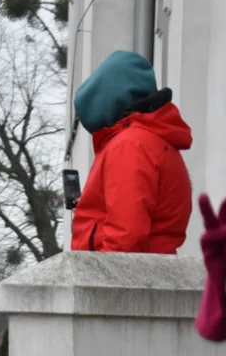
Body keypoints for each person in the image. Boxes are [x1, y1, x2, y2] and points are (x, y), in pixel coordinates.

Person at [70, 50, 193, 253]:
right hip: (147, 270)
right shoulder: (153, 140)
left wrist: (98, 281)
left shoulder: (129, 145)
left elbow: (125, 236)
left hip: (118, 277)